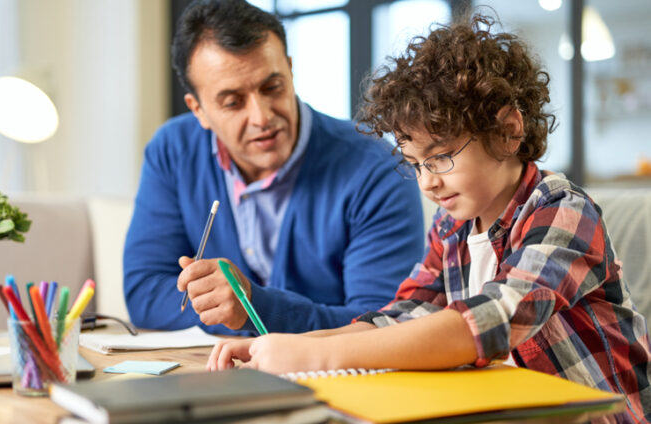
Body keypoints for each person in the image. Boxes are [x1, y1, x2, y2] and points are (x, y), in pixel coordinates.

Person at [207, 14, 651, 422]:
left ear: (507, 131)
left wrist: (316, 358)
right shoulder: (450, 226)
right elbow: (400, 316)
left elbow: (488, 322)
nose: (427, 183)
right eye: (415, 164)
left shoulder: (561, 210)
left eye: (439, 157)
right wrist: (283, 346)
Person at [122, 0, 425, 336]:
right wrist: (230, 310)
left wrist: (253, 310)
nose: (262, 116)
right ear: (199, 110)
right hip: (215, 373)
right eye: (233, 102)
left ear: (291, 71)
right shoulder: (173, 151)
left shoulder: (376, 167)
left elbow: (382, 323)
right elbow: (145, 294)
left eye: (272, 87)